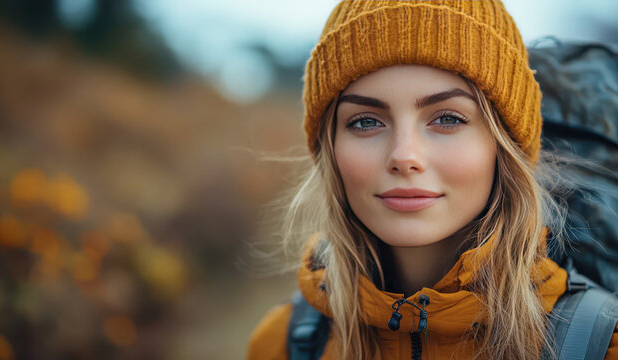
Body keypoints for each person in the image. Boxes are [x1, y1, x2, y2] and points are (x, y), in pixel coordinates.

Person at [246, 1, 617, 359]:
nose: (404, 156)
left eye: (448, 118)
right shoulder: (282, 345)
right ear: (330, 150)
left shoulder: (603, 345)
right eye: (365, 121)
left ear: (503, 147)